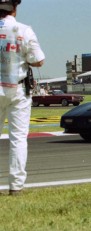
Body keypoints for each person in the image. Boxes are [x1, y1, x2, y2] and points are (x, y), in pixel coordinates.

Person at [0, 0, 45, 196]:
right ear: (15, 8)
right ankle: (16, 187)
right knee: (18, 139)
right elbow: (39, 60)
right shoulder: (24, 30)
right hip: (17, 90)